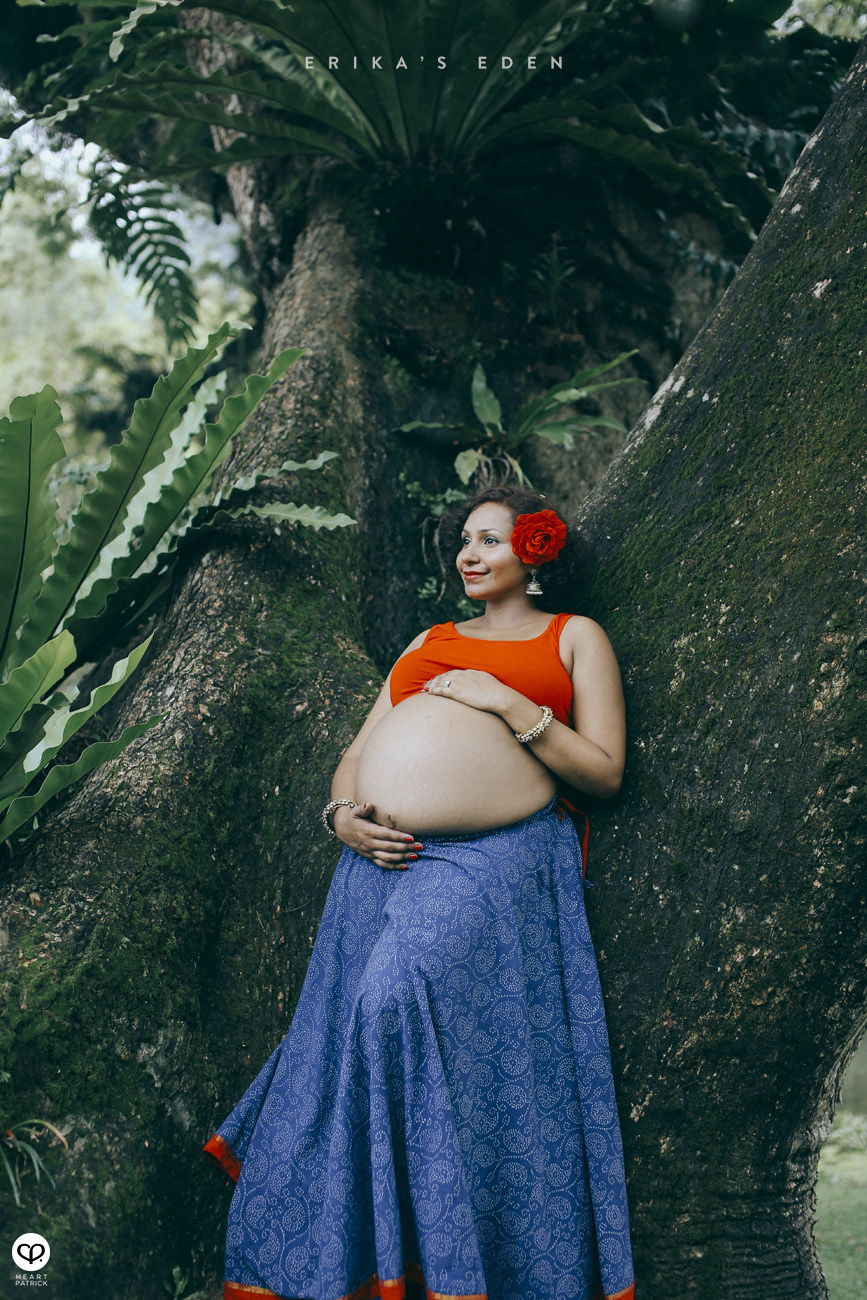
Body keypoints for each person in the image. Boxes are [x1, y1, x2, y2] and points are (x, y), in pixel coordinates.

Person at [204, 484, 635, 1300]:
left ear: (535, 553)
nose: (470, 555)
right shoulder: (428, 641)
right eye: (465, 542)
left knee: (390, 1001)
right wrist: (340, 815)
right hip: (379, 857)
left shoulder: (573, 638)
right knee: (342, 1032)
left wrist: (505, 702)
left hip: (500, 852)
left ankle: (446, 1248)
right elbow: (356, 753)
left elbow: (605, 774)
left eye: (491, 541)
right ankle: (356, 1261)